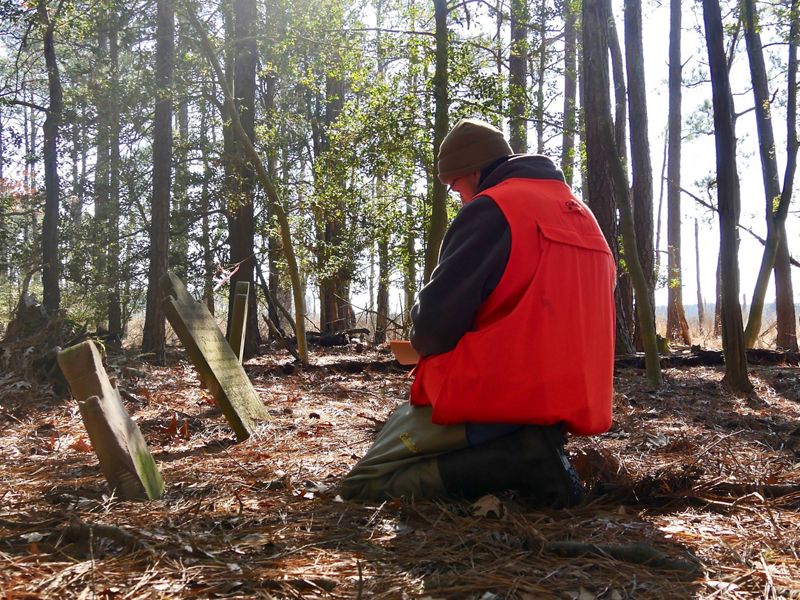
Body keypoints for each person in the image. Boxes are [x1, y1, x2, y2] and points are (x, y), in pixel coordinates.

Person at [341, 118, 616, 507]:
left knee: (365, 482)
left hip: (500, 393)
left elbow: (433, 330)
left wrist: (420, 332)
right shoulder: (582, 215)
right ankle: (526, 449)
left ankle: (520, 459)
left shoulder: (494, 208)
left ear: (473, 171)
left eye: (455, 186)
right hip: (568, 400)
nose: (459, 198)